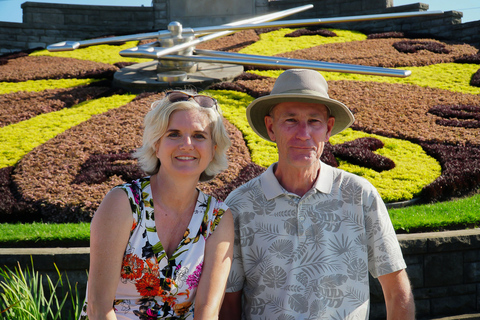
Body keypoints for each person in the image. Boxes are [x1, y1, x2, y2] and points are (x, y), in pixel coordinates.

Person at [219, 69, 415, 320]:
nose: (304, 134)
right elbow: (228, 302)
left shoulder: (359, 195)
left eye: (314, 121)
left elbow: (396, 291)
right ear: (271, 127)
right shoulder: (240, 205)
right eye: (290, 120)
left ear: (328, 129)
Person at [80, 90, 234, 320]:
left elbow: (207, 312)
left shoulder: (218, 218)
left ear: (213, 149)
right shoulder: (123, 204)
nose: (187, 144)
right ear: (156, 144)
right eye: (174, 134)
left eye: (200, 136)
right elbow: (98, 308)